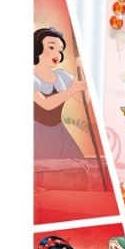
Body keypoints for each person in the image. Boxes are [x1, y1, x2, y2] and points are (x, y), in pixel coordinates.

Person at [33, 27, 87, 159]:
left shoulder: (62, 76)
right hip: (37, 133)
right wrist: (72, 89)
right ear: (37, 48)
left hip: (59, 131)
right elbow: (46, 104)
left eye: (60, 50)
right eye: (51, 47)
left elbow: (84, 99)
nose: (57, 54)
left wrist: (82, 71)